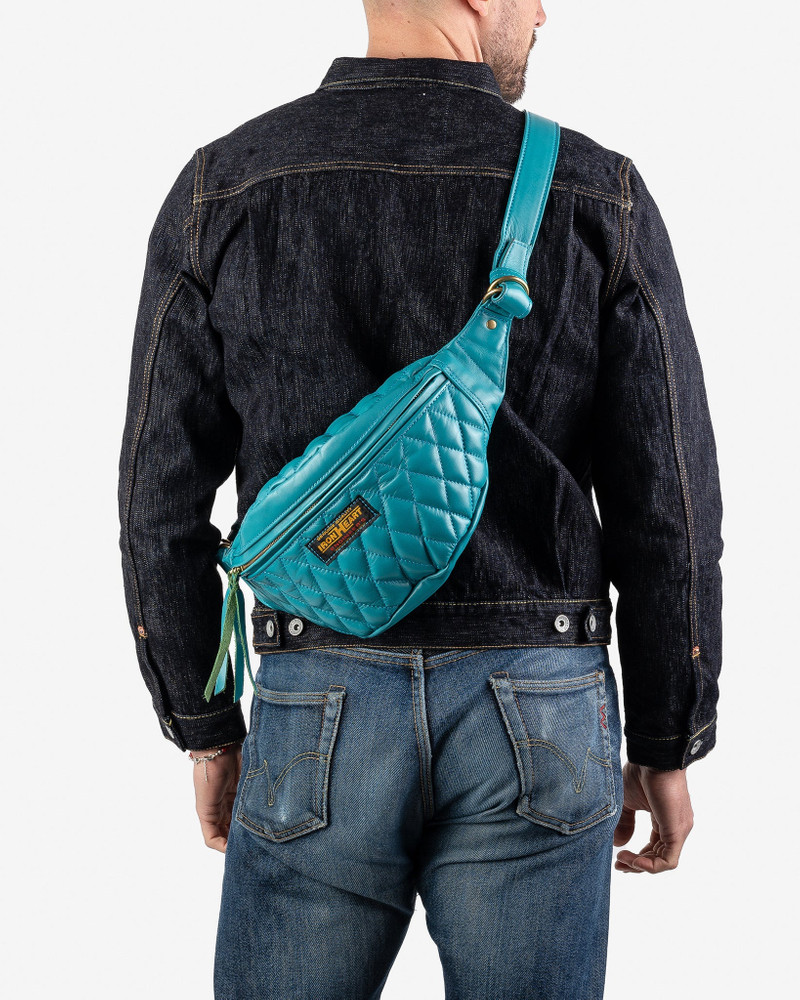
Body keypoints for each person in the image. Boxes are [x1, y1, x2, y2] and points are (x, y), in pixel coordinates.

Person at [117, 1, 724, 997]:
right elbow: (670, 507)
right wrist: (668, 733)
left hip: (315, 695)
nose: (542, 12)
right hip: (540, 702)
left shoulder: (224, 186)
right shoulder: (593, 189)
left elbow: (157, 499)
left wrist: (205, 719)